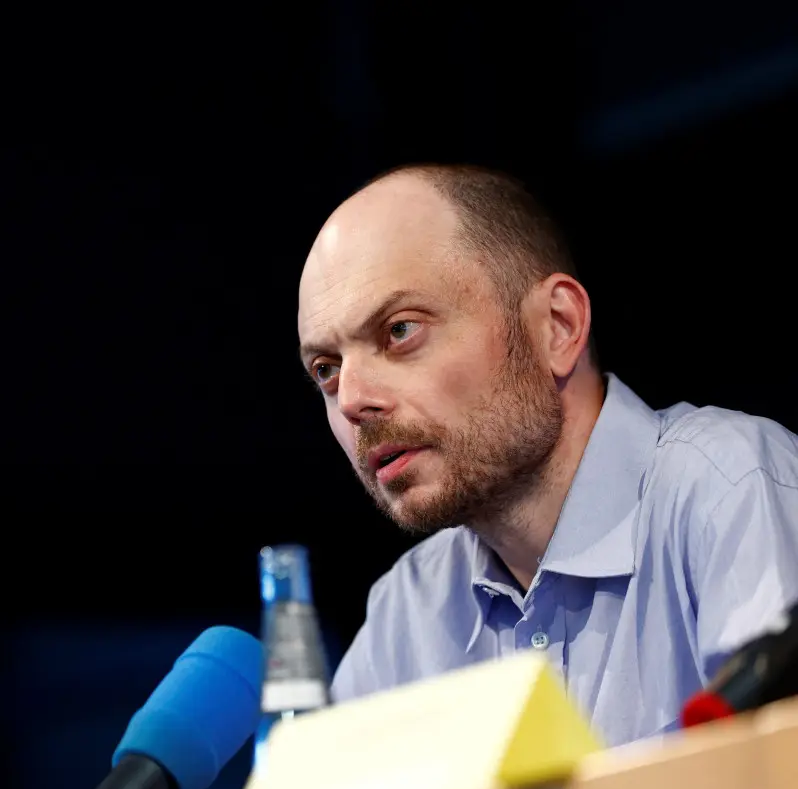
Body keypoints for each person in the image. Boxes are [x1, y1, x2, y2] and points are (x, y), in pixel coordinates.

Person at [297, 162, 798, 746]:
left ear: (557, 327)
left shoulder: (727, 486)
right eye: (327, 370)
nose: (353, 401)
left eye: (400, 330)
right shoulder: (405, 613)